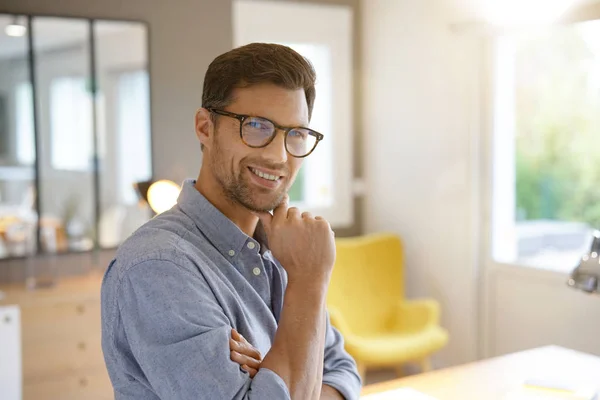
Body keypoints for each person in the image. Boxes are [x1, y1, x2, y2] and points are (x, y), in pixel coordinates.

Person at [101, 42, 361, 400]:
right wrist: (309, 282)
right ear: (205, 128)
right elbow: (320, 373)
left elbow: (344, 371)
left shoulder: (285, 247)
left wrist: (274, 378)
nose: (277, 156)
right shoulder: (158, 265)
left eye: (295, 134)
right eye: (256, 126)